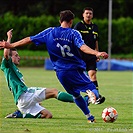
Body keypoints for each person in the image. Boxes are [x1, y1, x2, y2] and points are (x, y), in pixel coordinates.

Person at [0, 10, 108, 123]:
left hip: (61, 74)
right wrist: (96, 53)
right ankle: (90, 94)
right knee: (92, 88)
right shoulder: (73, 33)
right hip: (75, 69)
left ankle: (90, 118)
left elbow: (29, 39)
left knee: (76, 96)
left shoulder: (50, 32)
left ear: (60, 20)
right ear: (71, 21)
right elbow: (82, 47)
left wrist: (11, 45)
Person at [1, 29, 85, 118]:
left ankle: (21, 115)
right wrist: (9, 38)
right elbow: (6, 55)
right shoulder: (7, 65)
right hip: (24, 96)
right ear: (10, 57)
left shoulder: (13, 68)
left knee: (48, 115)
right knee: (54, 92)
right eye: (16, 55)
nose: (19, 57)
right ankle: (82, 100)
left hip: (22, 101)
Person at [74, 7, 105, 104]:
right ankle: (85, 96)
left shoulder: (95, 27)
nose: (88, 15)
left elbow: (96, 41)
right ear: (83, 15)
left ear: (92, 15)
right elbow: (73, 41)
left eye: (90, 13)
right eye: (87, 13)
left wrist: (97, 53)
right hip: (80, 56)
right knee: (82, 77)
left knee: (93, 75)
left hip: (91, 56)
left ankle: (96, 96)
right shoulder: (78, 26)